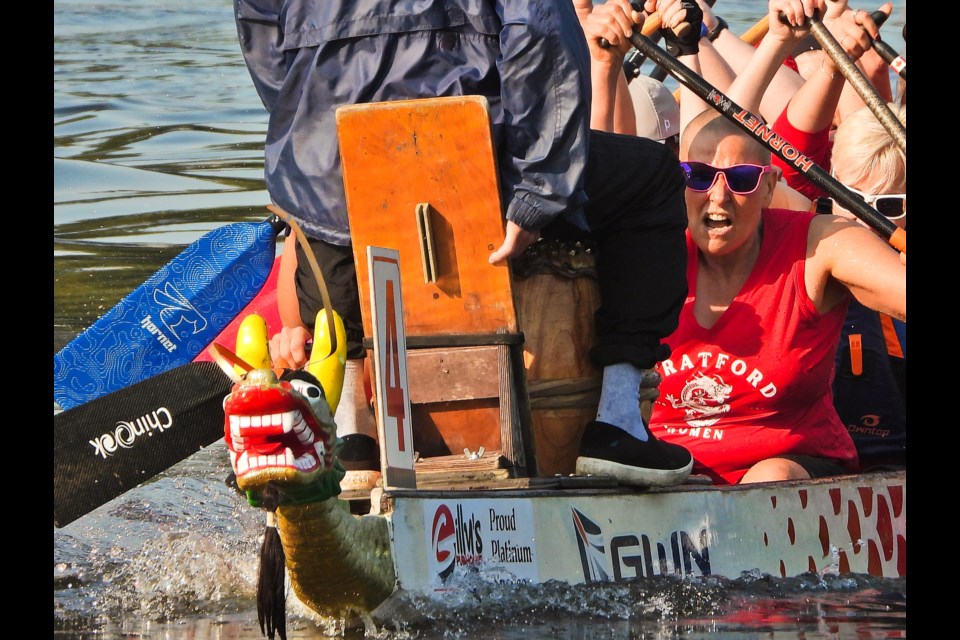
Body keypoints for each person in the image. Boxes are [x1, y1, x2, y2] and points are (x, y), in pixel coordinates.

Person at [235, 0, 696, 487]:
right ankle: (617, 425)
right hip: (471, 155)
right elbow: (541, 34)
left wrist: (313, 123)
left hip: (331, 163)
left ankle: (354, 434)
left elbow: (264, 44)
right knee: (655, 178)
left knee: (325, 190)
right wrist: (539, 189)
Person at [643, 101, 905, 485]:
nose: (718, 196)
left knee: (769, 477)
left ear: (768, 188)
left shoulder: (819, 243)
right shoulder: (649, 251)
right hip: (669, 473)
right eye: (699, 175)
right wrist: (604, 66)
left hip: (785, 472)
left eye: (742, 178)